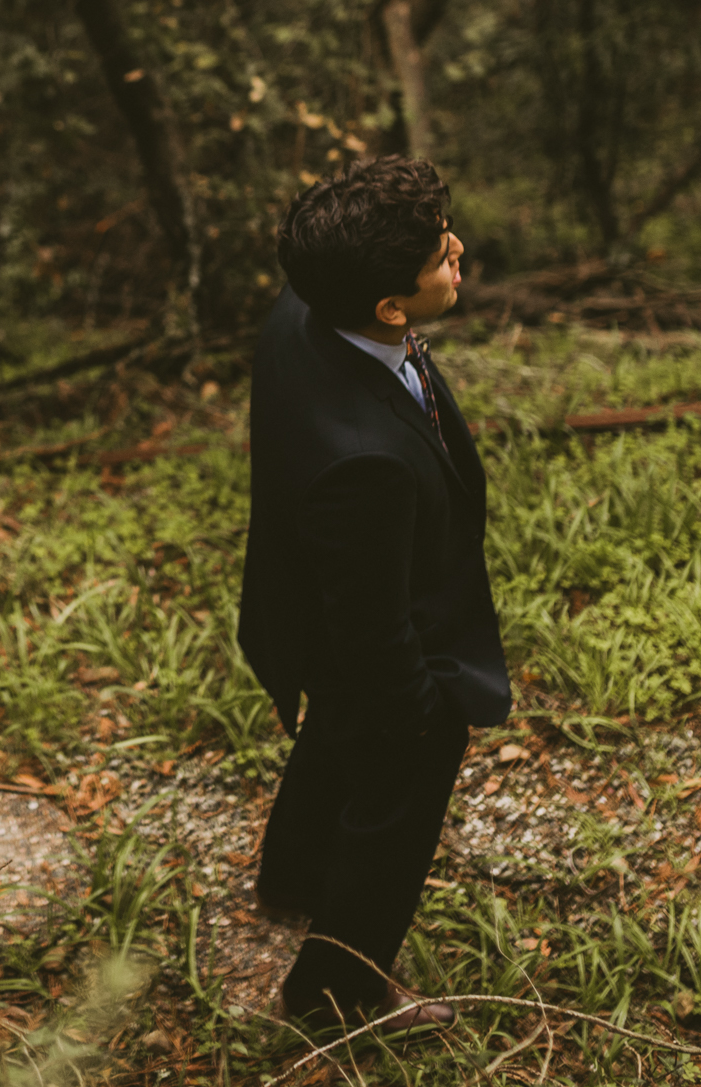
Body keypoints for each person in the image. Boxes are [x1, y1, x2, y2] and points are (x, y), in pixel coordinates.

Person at [236, 157, 508, 1031]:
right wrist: (424, 713)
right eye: (441, 256)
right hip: (378, 646)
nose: (459, 249)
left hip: (317, 605)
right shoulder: (364, 463)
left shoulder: (306, 308)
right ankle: (332, 994)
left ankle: (293, 877)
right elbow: (371, 628)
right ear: (391, 306)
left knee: (332, 741)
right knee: (393, 806)